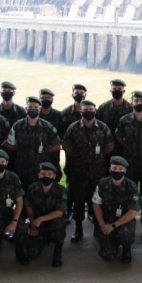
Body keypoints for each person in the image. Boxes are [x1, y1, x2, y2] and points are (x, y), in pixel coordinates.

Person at [62, 100, 114, 243]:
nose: (88, 111)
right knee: (78, 202)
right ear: (81, 112)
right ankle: (78, 229)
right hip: (79, 172)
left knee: (97, 200)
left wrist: (99, 157)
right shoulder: (73, 127)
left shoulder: (103, 127)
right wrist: (76, 156)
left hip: (97, 172)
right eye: (85, 109)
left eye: (91, 109)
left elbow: (110, 145)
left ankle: (98, 227)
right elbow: (65, 144)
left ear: (95, 110)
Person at [4, 96, 61, 190]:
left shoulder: (48, 127)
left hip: (40, 169)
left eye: (35, 107)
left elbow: (57, 145)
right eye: (30, 107)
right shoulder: (17, 126)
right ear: (26, 109)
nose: (33, 109)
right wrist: (23, 148)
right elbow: (10, 145)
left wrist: (43, 151)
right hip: (21, 168)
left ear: (40, 109)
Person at [92, 156, 139, 263]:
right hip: (107, 221)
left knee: (125, 234)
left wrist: (114, 226)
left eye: (120, 169)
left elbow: (133, 211)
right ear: (109, 169)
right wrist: (102, 224)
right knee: (107, 255)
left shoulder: (131, 186)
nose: (117, 171)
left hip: (124, 222)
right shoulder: (102, 183)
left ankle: (126, 249)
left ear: (125, 170)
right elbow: (96, 204)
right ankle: (113, 242)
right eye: (114, 168)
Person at [24, 162, 67, 267]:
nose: (46, 176)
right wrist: (33, 223)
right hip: (37, 224)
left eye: (49, 174)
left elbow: (60, 212)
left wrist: (41, 219)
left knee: (60, 223)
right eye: (43, 174)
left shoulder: (61, 190)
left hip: (52, 222)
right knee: (32, 254)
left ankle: (58, 252)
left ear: (54, 176)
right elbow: (28, 206)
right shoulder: (32, 188)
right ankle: (42, 239)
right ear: (39, 175)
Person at [115, 91, 142, 193]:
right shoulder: (124, 120)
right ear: (131, 103)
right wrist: (128, 146)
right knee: (130, 190)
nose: (139, 103)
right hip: (130, 161)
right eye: (136, 101)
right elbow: (119, 136)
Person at [59, 83, 88, 222]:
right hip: (72, 156)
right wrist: (70, 152)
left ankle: (91, 212)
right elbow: (62, 137)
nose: (79, 95)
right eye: (77, 92)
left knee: (90, 183)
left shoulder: (91, 109)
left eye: (82, 93)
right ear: (72, 94)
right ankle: (69, 209)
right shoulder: (65, 113)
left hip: (89, 158)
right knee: (71, 183)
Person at [96, 79, 133, 157]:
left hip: (123, 145)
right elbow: (97, 125)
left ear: (124, 91)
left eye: (119, 89)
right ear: (110, 90)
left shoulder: (129, 108)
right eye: (114, 89)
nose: (117, 91)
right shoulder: (103, 107)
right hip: (106, 145)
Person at [38, 88, 63, 179]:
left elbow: (61, 136)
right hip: (36, 155)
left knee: (54, 177)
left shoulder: (58, 115)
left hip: (53, 154)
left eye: (48, 97)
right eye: (43, 97)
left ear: (52, 99)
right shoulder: (35, 114)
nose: (46, 100)